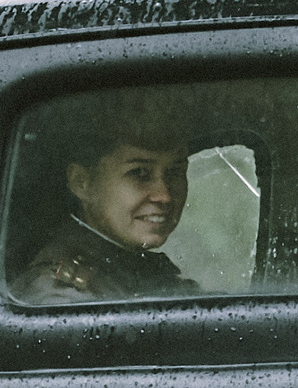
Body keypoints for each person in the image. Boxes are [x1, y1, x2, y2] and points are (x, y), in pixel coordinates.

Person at [14, 104, 200, 303]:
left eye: (175, 172)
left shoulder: (130, 272)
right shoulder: (61, 297)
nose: (165, 196)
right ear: (82, 183)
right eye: (139, 173)